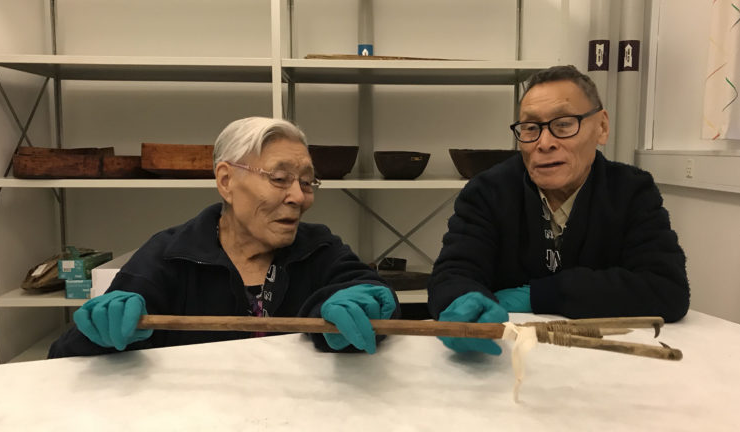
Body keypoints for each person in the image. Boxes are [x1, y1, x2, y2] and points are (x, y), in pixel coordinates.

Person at [49, 117, 399, 358]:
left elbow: (372, 293)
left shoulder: (319, 248)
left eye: (307, 181)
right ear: (227, 181)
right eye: (279, 178)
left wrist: (373, 301)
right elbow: (67, 361)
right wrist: (97, 335)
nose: (299, 197)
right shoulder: (171, 255)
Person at [428, 65, 690, 355]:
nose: (544, 143)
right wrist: (463, 301)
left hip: (603, 359)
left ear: (601, 127)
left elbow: (667, 289)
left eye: (564, 124)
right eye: (530, 128)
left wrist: (542, 295)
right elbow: (452, 275)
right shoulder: (488, 192)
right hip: (508, 357)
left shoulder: (630, 191)